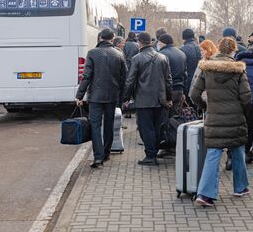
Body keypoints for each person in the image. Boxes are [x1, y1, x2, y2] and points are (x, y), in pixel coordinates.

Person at [190, 37, 251, 207]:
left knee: (213, 154)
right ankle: (240, 188)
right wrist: (243, 113)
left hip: (214, 117)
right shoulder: (239, 70)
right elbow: (247, 97)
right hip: (235, 117)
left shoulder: (206, 68)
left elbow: (194, 95)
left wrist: (205, 106)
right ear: (233, 51)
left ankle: (205, 194)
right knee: (238, 151)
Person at [75, 29, 127, 168]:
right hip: (112, 96)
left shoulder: (92, 53)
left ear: (99, 38)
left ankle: (98, 158)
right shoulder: (119, 54)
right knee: (109, 125)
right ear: (112, 39)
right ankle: (106, 153)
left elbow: (87, 76)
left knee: (95, 126)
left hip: (96, 97)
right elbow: (124, 78)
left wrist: (79, 95)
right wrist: (121, 98)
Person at [124, 32, 173, 166]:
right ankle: (154, 153)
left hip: (143, 100)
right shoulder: (163, 58)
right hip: (160, 99)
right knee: (157, 127)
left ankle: (150, 156)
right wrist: (168, 98)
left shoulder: (137, 58)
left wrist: (126, 98)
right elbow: (169, 80)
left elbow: (130, 81)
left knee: (146, 128)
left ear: (139, 42)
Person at [158, 34, 187, 116]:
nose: (158, 45)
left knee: (165, 117)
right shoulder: (181, 53)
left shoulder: (161, 55)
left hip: (167, 91)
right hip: (179, 89)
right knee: (175, 116)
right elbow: (185, 74)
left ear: (163, 43)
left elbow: (160, 76)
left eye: (159, 43)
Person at [180, 28, 202, 103]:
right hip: (199, 81)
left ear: (184, 38)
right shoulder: (200, 48)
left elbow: (181, 69)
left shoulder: (182, 49)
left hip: (187, 82)